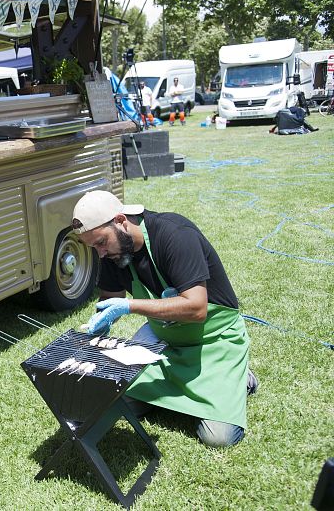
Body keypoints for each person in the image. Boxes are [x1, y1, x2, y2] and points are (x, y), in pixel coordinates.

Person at [71, 190, 257, 448]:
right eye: (94, 247)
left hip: (213, 341)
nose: (100, 253)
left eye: (101, 242)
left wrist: (129, 306)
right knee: (116, 400)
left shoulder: (174, 235)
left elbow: (196, 308)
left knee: (217, 438)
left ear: (121, 220)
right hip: (164, 340)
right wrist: (98, 329)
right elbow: (108, 300)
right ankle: (176, 389)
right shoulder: (113, 255)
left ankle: (241, 376)